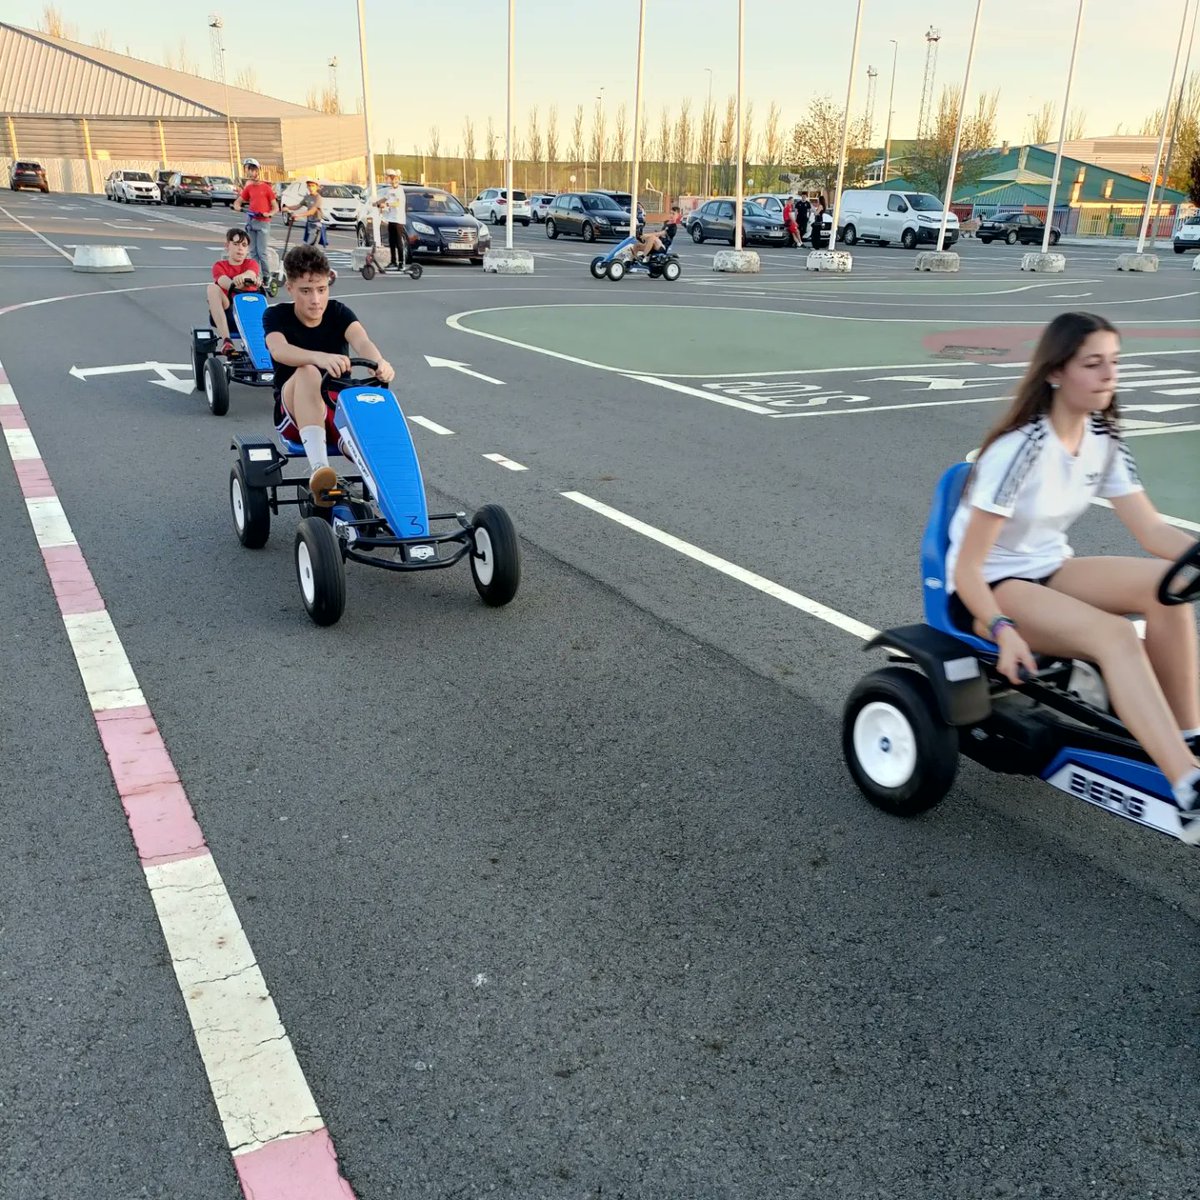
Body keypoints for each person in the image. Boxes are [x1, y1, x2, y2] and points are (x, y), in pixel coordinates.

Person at [945, 311, 1200, 835]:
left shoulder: (1103, 437)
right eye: (1094, 363)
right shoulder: (1019, 450)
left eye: (1114, 362)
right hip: (987, 591)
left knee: (1169, 586)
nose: (1110, 375)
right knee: (1112, 636)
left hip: (1049, 569)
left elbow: (1152, 531)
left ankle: (1188, 735)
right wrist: (1001, 630)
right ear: (1057, 372)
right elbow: (969, 568)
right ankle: (1187, 786)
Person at [262, 244, 395, 505]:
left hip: (336, 404)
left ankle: (394, 507)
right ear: (290, 288)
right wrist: (318, 357)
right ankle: (319, 470)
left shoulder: (338, 312)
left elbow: (362, 341)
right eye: (306, 291)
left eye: (321, 290)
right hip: (295, 411)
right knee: (309, 371)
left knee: (365, 427)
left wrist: (379, 363)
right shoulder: (276, 315)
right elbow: (279, 350)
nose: (315, 300)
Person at [207, 228, 261, 355]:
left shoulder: (251, 264)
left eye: (244, 245)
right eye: (236, 244)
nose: (240, 248)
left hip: (251, 311)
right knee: (212, 288)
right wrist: (242, 282)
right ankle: (227, 340)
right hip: (229, 310)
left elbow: (251, 273)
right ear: (227, 246)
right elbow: (224, 282)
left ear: (248, 249)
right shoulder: (220, 266)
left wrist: (244, 278)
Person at [232, 157, 278, 278]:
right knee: (252, 252)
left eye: (253, 170)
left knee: (261, 253)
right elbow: (238, 202)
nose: (251, 173)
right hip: (251, 221)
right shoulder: (249, 188)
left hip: (263, 223)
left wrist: (269, 213)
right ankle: (254, 276)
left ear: (258, 171)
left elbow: (275, 207)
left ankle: (267, 276)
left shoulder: (266, 188)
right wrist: (238, 207)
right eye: (249, 170)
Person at [374, 167, 408, 271]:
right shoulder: (390, 190)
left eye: (390, 178)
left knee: (398, 242)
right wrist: (376, 203)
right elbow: (385, 198)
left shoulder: (400, 191)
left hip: (398, 220)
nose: (389, 180)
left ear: (395, 179)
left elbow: (397, 203)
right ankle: (393, 262)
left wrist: (386, 204)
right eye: (389, 178)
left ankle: (401, 263)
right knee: (391, 241)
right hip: (391, 219)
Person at [283, 177, 328, 247]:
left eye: (313, 186)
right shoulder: (307, 197)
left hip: (317, 224)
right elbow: (298, 206)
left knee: (311, 246)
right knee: (307, 244)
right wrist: (288, 207)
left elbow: (312, 211)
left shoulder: (318, 198)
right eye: (309, 186)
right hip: (309, 223)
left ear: (317, 187)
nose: (311, 188)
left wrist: (299, 215)